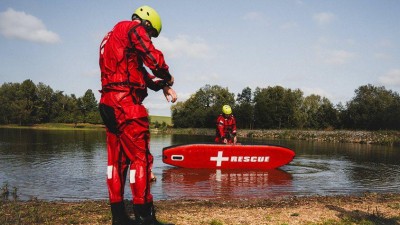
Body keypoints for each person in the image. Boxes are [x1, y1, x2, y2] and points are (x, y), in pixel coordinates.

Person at [98, 5, 176, 225]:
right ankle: (145, 218)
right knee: (141, 159)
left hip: (108, 104)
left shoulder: (112, 37)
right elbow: (152, 58)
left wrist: (162, 86)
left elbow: (141, 74)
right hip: (127, 105)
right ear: (147, 23)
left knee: (117, 162)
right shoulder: (134, 29)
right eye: (151, 33)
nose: (150, 37)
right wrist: (168, 76)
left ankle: (119, 218)